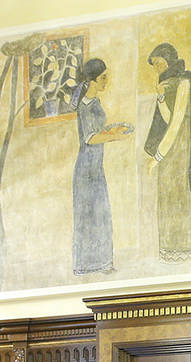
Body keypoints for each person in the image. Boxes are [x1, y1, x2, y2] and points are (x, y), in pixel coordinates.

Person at [68, 57, 131, 275]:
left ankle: (103, 263)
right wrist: (114, 136)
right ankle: (85, 266)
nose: (106, 81)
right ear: (92, 80)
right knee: (88, 218)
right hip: (85, 170)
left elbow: (99, 130)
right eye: (103, 78)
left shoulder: (95, 102)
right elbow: (90, 138)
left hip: (96, 168)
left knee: (101, 214)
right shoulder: (85, 105)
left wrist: (112, 131)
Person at [144, 42, 191, 262]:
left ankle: (188, 247)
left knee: (178, 195)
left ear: (169, 60)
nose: (156, 68)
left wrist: (156, 157)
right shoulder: (166, 84)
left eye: (158, 62)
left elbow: (176, 123)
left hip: (178, 149)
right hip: (169, 149)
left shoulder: (184, 82)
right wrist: (160, 98)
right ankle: (169, 249)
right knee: (167, 197)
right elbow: (168, 119)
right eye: (153, 65)